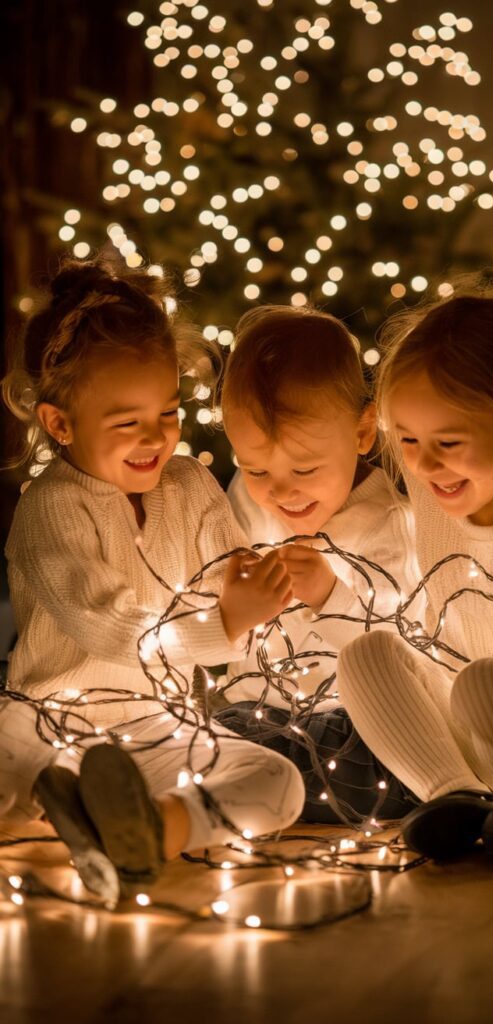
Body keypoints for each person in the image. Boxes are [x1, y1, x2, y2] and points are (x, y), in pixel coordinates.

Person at [0, 258, 304, 906]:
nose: (156, 437)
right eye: (126, 421)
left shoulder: (191, 485)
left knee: (280, 782)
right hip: (49, 720)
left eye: (167, 412)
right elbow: (107, 625)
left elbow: (233, 591)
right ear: (60, 424)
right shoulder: (51, 508)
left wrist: (259, 601)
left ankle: (150, 829)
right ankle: (62, 804)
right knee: (17, 776)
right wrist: (225, 624)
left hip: (156, 726)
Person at [337, 283, 493, 862]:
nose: (423, 463)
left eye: (448, 441)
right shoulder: (429, 488)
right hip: (469, 713)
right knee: (366, 653)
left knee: (489, 679)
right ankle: (454, 796)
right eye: (408, 439)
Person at [216, 304, 420, 824]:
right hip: (255, 710)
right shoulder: (245, 502)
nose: (280, 491)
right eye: (255, 467)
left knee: (375, 769)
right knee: (216, 736)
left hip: (352, 722)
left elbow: (401, 651)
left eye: (305, 468)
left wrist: (332, 596)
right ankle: (235, 786)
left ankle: (243, 791)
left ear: (362, 433)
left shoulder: (386, 524)